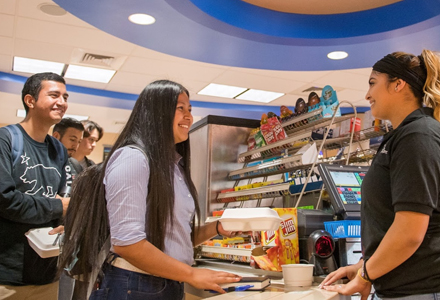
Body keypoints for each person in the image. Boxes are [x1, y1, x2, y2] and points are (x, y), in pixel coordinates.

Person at [59, 80, 241, 299]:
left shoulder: (173, 167)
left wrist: (218, 228)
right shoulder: (133, 158)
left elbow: (170, 240)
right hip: (135, 284)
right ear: (157, 112)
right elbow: (127, 243)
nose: (189, 117)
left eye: (190, 110)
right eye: (180, 108)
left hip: (165, 283)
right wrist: (192, 274)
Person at [320, 49, 440, 299]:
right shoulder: (401, 136)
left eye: (373, 83)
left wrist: (366, 275)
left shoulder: (418, 135)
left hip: (420, 289)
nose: (367, 94)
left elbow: (409, 232)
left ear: (398, 84)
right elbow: (389, 223)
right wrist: (363, 267)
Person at [0, 72, 70, 300]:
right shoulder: (6, 140)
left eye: (65, 96)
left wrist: (64, 218)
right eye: (54, 95)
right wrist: (58, 208)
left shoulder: (58, 149)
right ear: (30, 101)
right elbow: (6, 200)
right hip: (8, 276)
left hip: (48, 274)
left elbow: (63, 198)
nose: (62, 102)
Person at [52, 117, 85, 185]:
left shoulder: (75, 165)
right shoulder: (42, 161)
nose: (75, 145)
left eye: (79, 142)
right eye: (72, 140)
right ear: (56, 136)